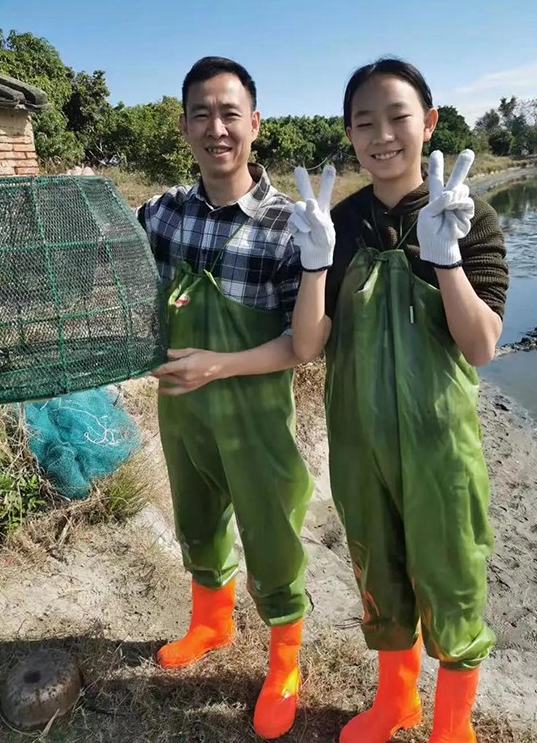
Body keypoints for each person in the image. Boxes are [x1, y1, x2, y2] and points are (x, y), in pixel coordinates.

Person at [288, 58, 509, 743]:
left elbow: (480, 347)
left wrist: (444, 259)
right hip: (356, 441)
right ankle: (396, 702)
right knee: (377, 571)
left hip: (440, 443)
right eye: (364, 122)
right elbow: (305, 347)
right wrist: (314, 264)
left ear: (429, 122)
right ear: (349, 134)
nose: (381, 135)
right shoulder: (340, 220)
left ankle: (451, 722)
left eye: (397, 117)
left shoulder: (466, 213)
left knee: (451, 578)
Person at [136, 56, 312, 740]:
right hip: (182, 411)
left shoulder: (285, 224)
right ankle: (209, 623)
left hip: (257, 418)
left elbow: (303, 345)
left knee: (272, 537)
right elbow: (122, 291)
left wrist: (220, 365)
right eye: (201, 114)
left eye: (229, 113)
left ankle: (284, 662)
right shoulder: (161, 213)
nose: (217, 128)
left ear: (254, 124)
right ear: (183, 126)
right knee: (198, 519)